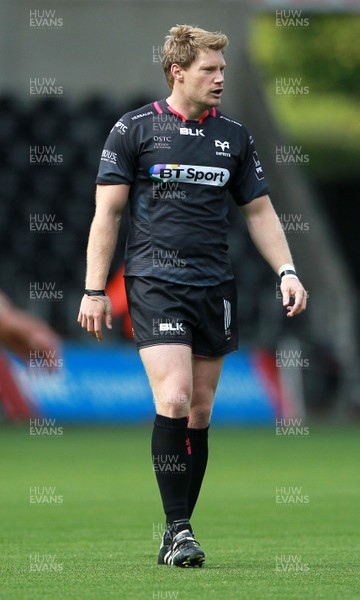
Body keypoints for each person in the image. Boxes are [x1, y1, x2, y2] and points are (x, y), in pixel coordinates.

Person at [77, 25, 307, 568]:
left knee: (200, 412)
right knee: (175, 397)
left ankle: (175, 530)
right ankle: (181, 531)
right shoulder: (133, 129)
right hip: (155, 283)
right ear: (177, 72)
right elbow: (107, 213)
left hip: (214, 285)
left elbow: (258, 212)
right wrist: (93, 288)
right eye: (209, 69)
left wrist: (288, 271)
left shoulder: (234, 136)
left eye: (223, 69)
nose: (220, 78)